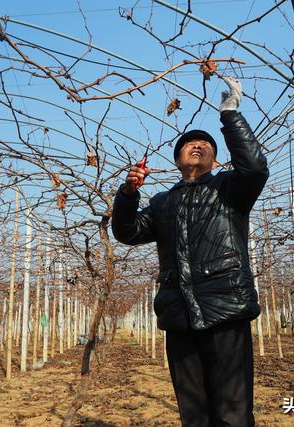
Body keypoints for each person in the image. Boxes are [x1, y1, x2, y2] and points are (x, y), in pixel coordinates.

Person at [112, 76, 268, 426]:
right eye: (189, 144)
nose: (197, 145)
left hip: (226, 309)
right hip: (179, 316)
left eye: (205, 145)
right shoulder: (162, 202)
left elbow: (255, 167)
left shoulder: (230, 190)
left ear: (216, 158)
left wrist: (230, 115)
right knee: (193, 415)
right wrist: (127, 194)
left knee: (234, 412)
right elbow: (127, 232)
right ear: (177, 159)